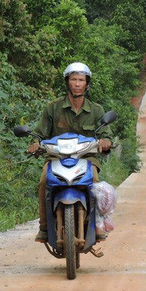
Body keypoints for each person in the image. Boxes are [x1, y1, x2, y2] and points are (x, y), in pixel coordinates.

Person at [27, 62, 113, 243]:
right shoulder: (53, 107)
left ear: (86, 83)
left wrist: (106, 142)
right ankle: (44, 227)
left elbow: (106, 134)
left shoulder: (96, 110)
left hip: (87, 158)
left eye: (81, 80)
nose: (77, 83)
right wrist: (35, 143)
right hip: (56, 158)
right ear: (67, 82)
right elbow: (39, 133)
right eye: (73, 79)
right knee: (44, 182)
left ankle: (97, 223)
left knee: (95, 183)